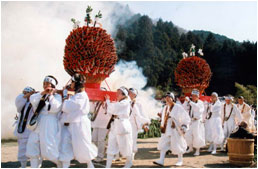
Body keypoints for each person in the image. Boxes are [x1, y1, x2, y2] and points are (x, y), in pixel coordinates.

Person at [61, 73, 97, 168]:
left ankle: (90, 165)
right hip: (74, 123)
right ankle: (65, 165)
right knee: (66, 144)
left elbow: (68, 107)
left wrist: (65, 96)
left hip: (80, 124)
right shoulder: (77, 95)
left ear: (76, 83)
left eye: (72, 82)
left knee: (83, 145)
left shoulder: (81, 95)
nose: (71, 84)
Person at [26, 75, 62, 167]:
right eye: (44, 84)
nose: (46, 86)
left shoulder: (57, 96)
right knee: (32, 147)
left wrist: (51, 96)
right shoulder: (39, 95)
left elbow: (55, 108)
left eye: (48, 84)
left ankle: (62, 165)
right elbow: (32, 100)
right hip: (38, 123)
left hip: (50, 124)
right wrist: (43, 93)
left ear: (53, 85)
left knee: (49, 150)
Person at [154, 92, 190, 166]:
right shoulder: (165, 107)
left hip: (175, 128)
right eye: (166, 97)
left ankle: (180, 160)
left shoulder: (177, 107)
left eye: (169, 97)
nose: (167, 98)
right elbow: (163, 117)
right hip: (167, 128)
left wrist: (184, 125)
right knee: (163, 144)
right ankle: (161, 160)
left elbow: (185, 116)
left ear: (172, 98)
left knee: (178, 143)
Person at [104, 87, 133, 168]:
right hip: (115, 125)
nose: (116, 95)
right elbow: (111, 111)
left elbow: (114, 108)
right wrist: (108, 102)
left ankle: (129, 162)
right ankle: (107, 166)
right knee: (111, 145)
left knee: (126, 146)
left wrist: (108, 101)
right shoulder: (120, 102)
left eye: (118, 93)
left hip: (122, 125)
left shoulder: (125, 102)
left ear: (124, 95)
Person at [14, 87, 35, 168]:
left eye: (27, 93)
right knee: (22, 148)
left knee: (35, 149)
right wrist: (27, 95)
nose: (25, 94)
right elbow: (19, 101)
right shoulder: (22, 103)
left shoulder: (34, 102)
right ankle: (23, 165)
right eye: (24, 93)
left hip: (32, 129)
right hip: (23, 130)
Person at [128, 88, 150, 160]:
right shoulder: (124, 102)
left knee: (132, 139)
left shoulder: (138, 104)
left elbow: (143, 115)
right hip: (125, 123)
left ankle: (131, 154)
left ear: (135, 95)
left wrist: (145, 124)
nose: (129, 94)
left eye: (131, 93)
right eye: (129, 92)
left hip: (133, 124)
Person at [91, 87, 111, 162]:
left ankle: (100, 156)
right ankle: (95, 154)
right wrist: (93, 102)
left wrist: (106, 102)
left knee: (101, 140)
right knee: (94, 139)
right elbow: (92, 110)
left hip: (104, 123)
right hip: (96, 123)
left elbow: (110, 111)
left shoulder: (109, 102)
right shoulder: (97, 102)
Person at [185, 89, 205, 156]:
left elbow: (198, 109)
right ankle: (190, 147)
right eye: (192, 96)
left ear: (198, 96)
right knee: (188, 135)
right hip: (191, 121)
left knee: (197, 136)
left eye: (195, 96)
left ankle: (197, 150)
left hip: (197, 121)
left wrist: (190, 102)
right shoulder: (190, 102)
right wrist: (186, 102)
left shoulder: (200, 103)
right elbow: (183, 108)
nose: (193, 97)